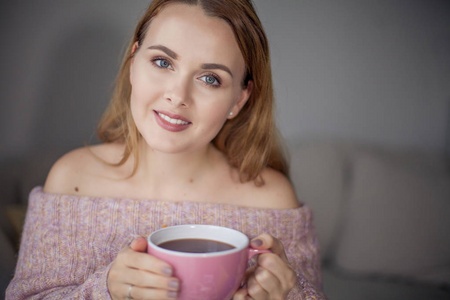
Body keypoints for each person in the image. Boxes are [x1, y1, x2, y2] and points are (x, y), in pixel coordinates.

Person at [6, 0, 327, 299]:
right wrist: (106, 290)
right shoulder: (71, 180)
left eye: (210, 78)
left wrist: (290, 293)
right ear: (133, 63)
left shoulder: (272, 200)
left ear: (239, 100)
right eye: (162, 62)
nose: (178, 95)